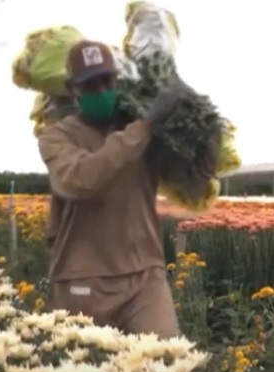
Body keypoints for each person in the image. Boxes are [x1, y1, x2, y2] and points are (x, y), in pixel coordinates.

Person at [36, 39, 185, 338]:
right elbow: (80, 179)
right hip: (83, 281)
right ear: (73, 88)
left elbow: (182, 171)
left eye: (107, 81)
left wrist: (179, 120)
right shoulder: (56, 137)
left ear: (118, 80)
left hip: (145, 276)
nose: (102, 91)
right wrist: (144, 127)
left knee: (166, 366)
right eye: (90, 85)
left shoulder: (140, 129)